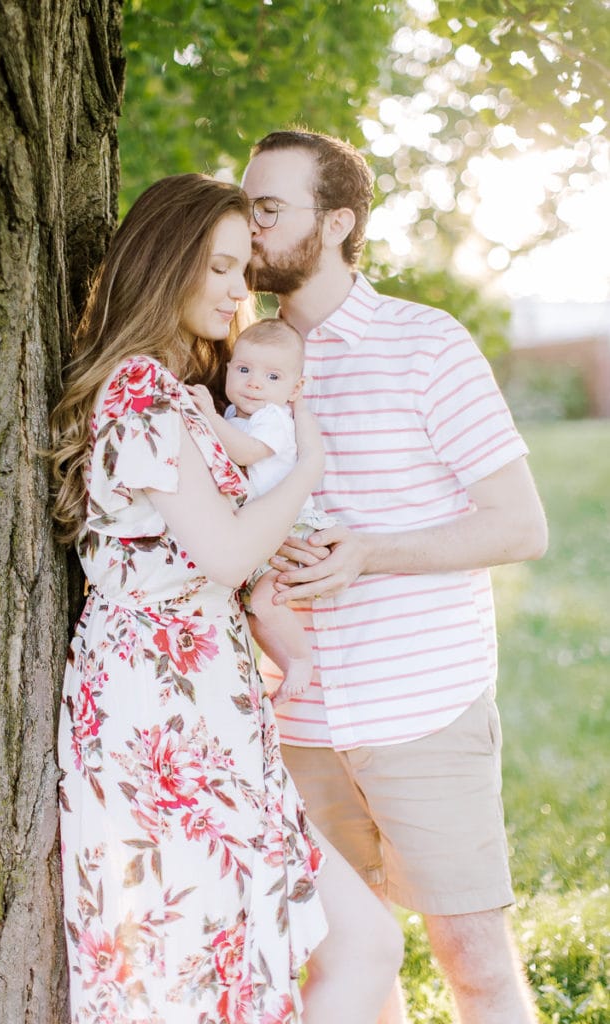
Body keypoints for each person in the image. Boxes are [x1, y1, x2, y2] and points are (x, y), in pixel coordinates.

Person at [49, 172, 402, 1024]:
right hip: (160, 716)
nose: (238, 291)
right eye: (217, 267)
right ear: (163, 263)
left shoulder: (182, 394)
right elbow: (224, 550)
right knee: (200, 978)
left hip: (204, 700)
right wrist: (305, 471)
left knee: (348, 945)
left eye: (244, 269)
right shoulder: (138, 388)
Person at [241, 130, 549, 1024]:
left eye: (269, 207)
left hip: (420, 708)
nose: (248, 223)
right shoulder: (233, 355)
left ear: (336, 223)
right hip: (290, 722)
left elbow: (519, 526)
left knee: (475, 967)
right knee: (345, 972)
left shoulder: (424, 344)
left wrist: (369, 552)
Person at [188, 317, 337, 706]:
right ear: (228, 370)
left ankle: (302, 659)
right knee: (254, 610)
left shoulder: (272, 419)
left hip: (292, 528)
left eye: (272, 377)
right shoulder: (240, 418)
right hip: (262, 533)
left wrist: (209, 417)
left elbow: (247, 452)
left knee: (267, 599)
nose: (255, 383)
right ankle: (288, 664)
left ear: (294, 389)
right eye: (244, 370)